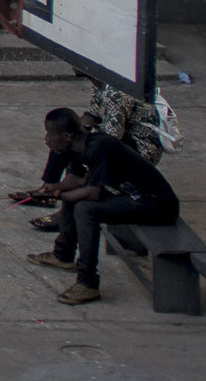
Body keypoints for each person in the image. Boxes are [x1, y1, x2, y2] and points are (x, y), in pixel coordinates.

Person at [29, 106, 180, 304]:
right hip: (129, 195)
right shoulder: (76, 146)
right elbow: (76, 180)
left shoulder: (98, 146)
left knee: (84, 208)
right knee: (72, 197)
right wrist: (56, 188)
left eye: (50, 134)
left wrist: (62, 196)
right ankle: (63, 254)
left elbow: (93, 192)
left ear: (66, 135)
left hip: (155, 202)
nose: (47, 138)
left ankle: (88, 282)